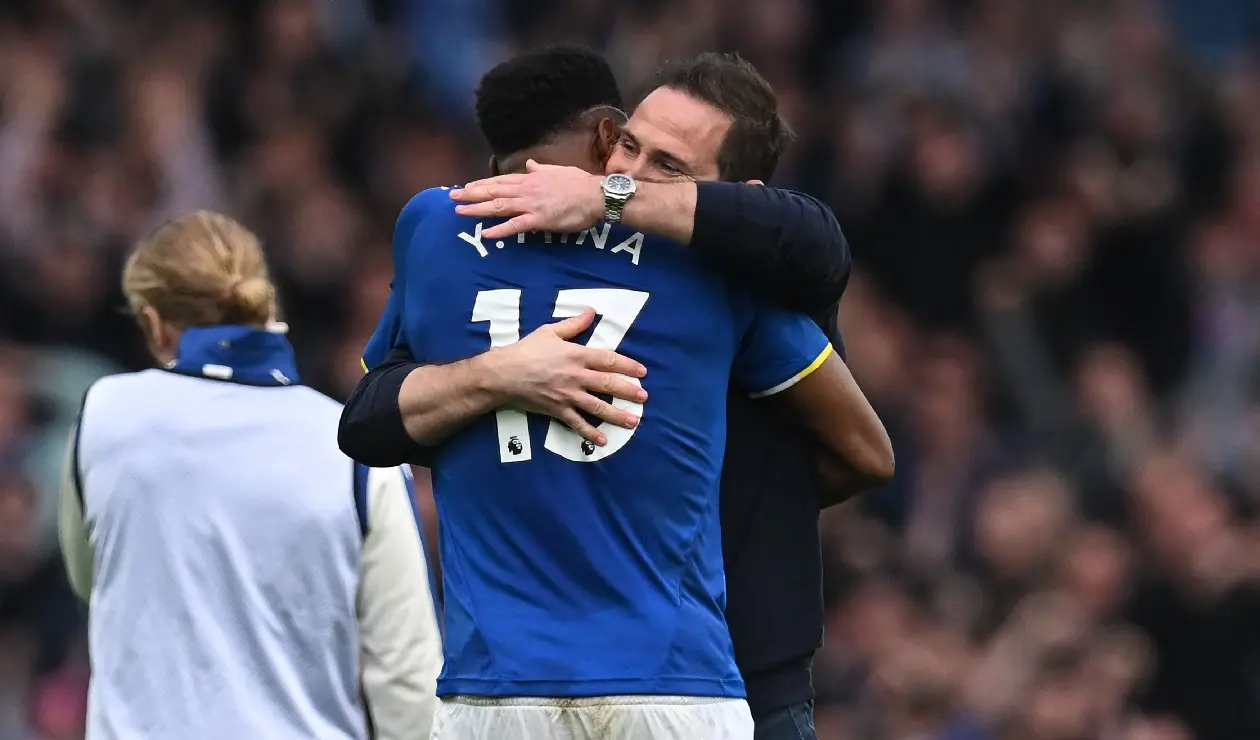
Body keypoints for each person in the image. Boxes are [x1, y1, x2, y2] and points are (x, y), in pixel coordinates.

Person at [341, 46, 892, 740]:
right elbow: (365, 420)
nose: (630, 172)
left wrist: (713, 512)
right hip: (591, 675)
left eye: (668, 167)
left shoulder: (736, 264)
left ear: (734, 199)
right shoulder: (455, 234)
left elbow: (866, 446)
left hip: (741, 663)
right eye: (629, 146)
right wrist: (500, 375)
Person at [58, 212, 443, 740]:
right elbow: (406, 673)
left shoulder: (103, 415)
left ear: (152, 322)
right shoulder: (356, 449)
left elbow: (89, 575)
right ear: (263, 306)